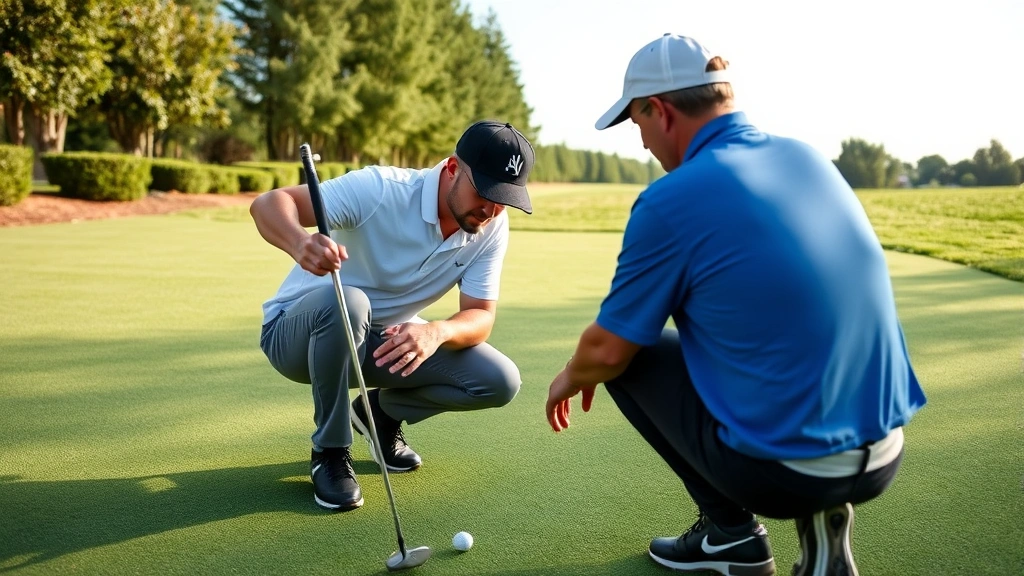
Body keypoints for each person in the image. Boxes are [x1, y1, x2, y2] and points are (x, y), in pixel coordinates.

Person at [544, 34, 926, 576]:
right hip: (884, 448)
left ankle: (730, 535)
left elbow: (607, 350)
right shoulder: (805, 156)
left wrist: (568, 376)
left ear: (661, 110)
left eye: (637, 123)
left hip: (792, 472)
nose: (643, 144)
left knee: (631, 358)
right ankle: (816, 527)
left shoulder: (669, 201)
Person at [252, 120, 535, 511]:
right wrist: (300, 244)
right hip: (297, 336)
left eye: (504, 198)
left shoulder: (491, 226)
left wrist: (437, 331)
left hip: (379, 341)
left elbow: (480, 316)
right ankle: (330, 454)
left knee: (498, 380)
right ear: (453, 168)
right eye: (484, 191)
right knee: (350, 302)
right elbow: (269, 203)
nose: (490, 208)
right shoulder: (382, 189)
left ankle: (379, 416)